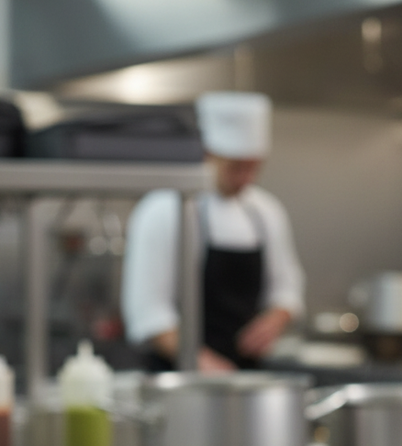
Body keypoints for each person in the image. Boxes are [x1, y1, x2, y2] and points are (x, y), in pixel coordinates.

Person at [121, 91, 304, 372]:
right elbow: (149, 313)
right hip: (177, 376)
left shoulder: (267, 211)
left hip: (245, 375)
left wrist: (273, 321)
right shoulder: (166, 209)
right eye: (236, 168)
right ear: (209, 154)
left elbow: (286, 288)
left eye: (254, 168)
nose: (247, 179)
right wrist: (202, 362)